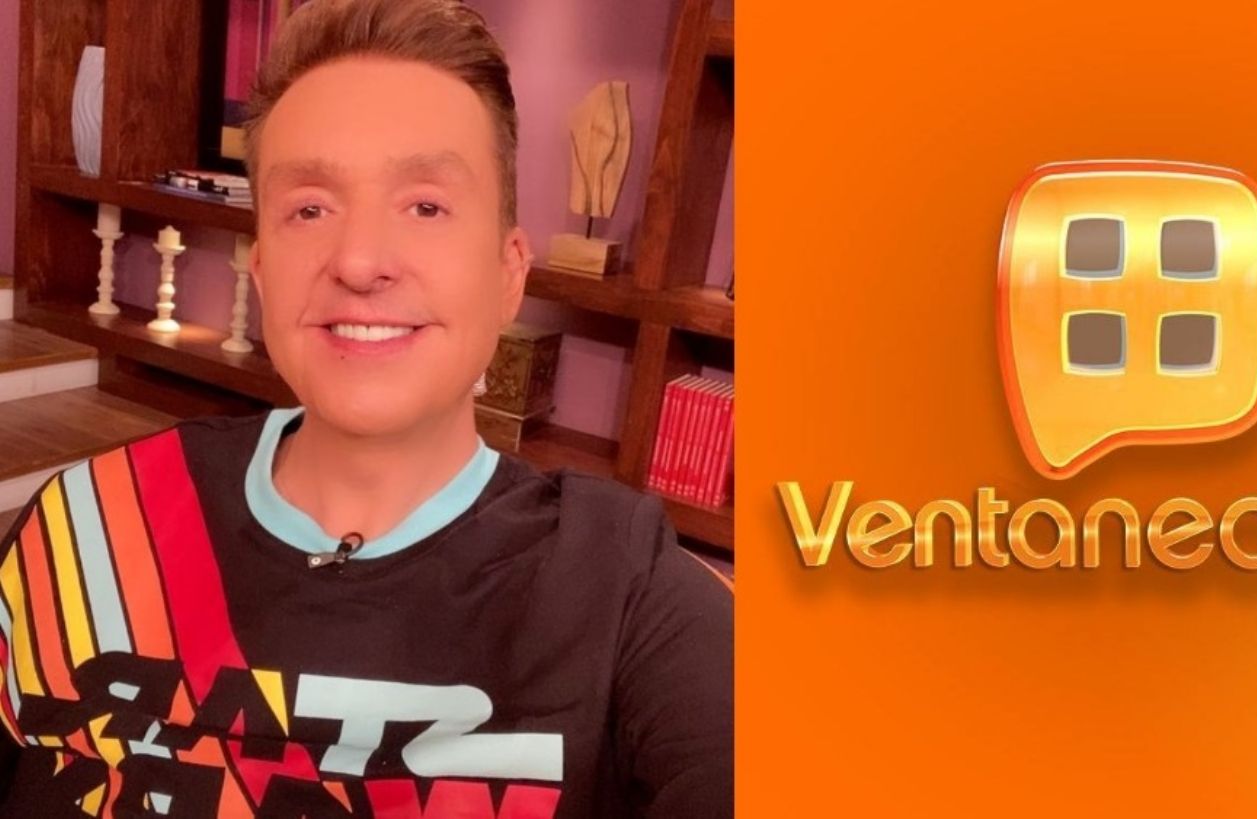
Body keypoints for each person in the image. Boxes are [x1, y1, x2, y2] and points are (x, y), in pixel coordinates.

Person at [0, 0, 733, 815]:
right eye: (310, 208)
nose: (358, 260)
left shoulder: (619, 587)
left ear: (508, 273)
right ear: (263, 270)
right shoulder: (87, 524)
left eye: (425, 205)